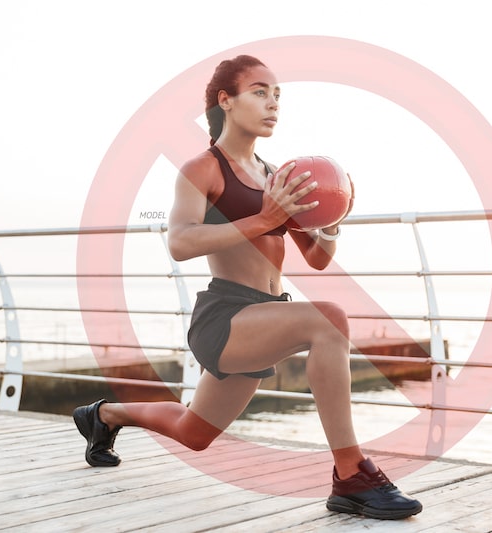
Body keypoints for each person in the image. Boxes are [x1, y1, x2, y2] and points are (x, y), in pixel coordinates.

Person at [73, 54, 422, 520]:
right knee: (329, 320)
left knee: (195, 432)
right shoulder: (203, 169)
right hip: (226, 316)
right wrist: (265, 219)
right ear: (226, 101)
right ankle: (351, 474)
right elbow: (179, 242)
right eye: (260, 92)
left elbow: (316, 259)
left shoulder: (277, 174)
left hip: (268, 312)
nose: (273, 103)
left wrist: (333, 222)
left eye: (277, 95)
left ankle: (103, 415)